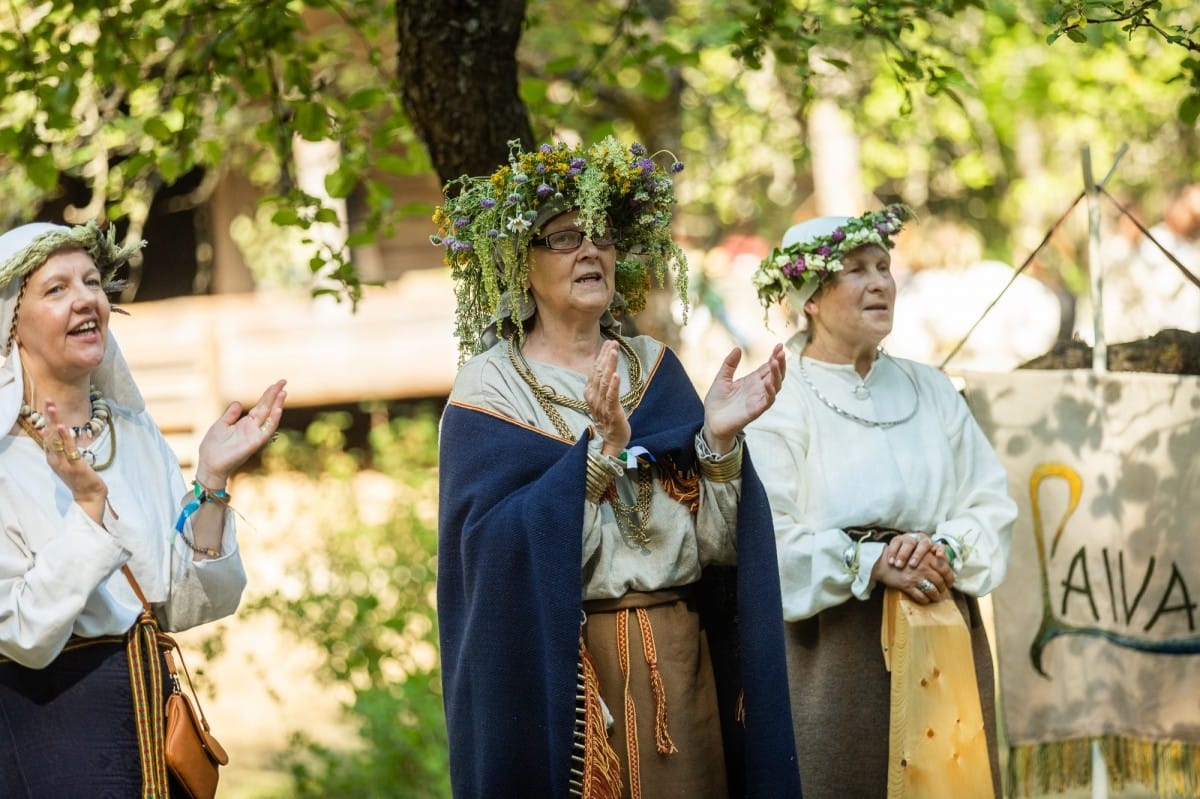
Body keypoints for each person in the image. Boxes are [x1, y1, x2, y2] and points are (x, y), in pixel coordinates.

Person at [433, 138, 801, 798]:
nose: (590, 250)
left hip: (683, 657)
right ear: (521, 265)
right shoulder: (488, 392)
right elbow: (491, 559)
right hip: (572, 676)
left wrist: (716, 442)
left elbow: (718, 551)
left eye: (601, 235)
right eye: (565, 237)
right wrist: (598, 456)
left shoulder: (654, 368)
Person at [0, 220, 286, 795]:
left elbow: (183, 603)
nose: (86, 298)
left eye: (90, 282)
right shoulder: (6, 459)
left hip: (153, 733)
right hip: (52, 737)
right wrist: (87, 510)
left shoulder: (132, 434)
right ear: (11, 322)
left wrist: (211, 481)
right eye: (56, 289)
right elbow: (21, 633)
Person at [744, 206, 1017, 799]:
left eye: (884, 267)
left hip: (944, 621)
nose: (879, 283)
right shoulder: (776, 398)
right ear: (810, 295)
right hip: (838, 650)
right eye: (855, 270)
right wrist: (871, 563)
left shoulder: (932, 388)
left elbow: (989, 503)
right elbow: (770, 539)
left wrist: (941, 549)